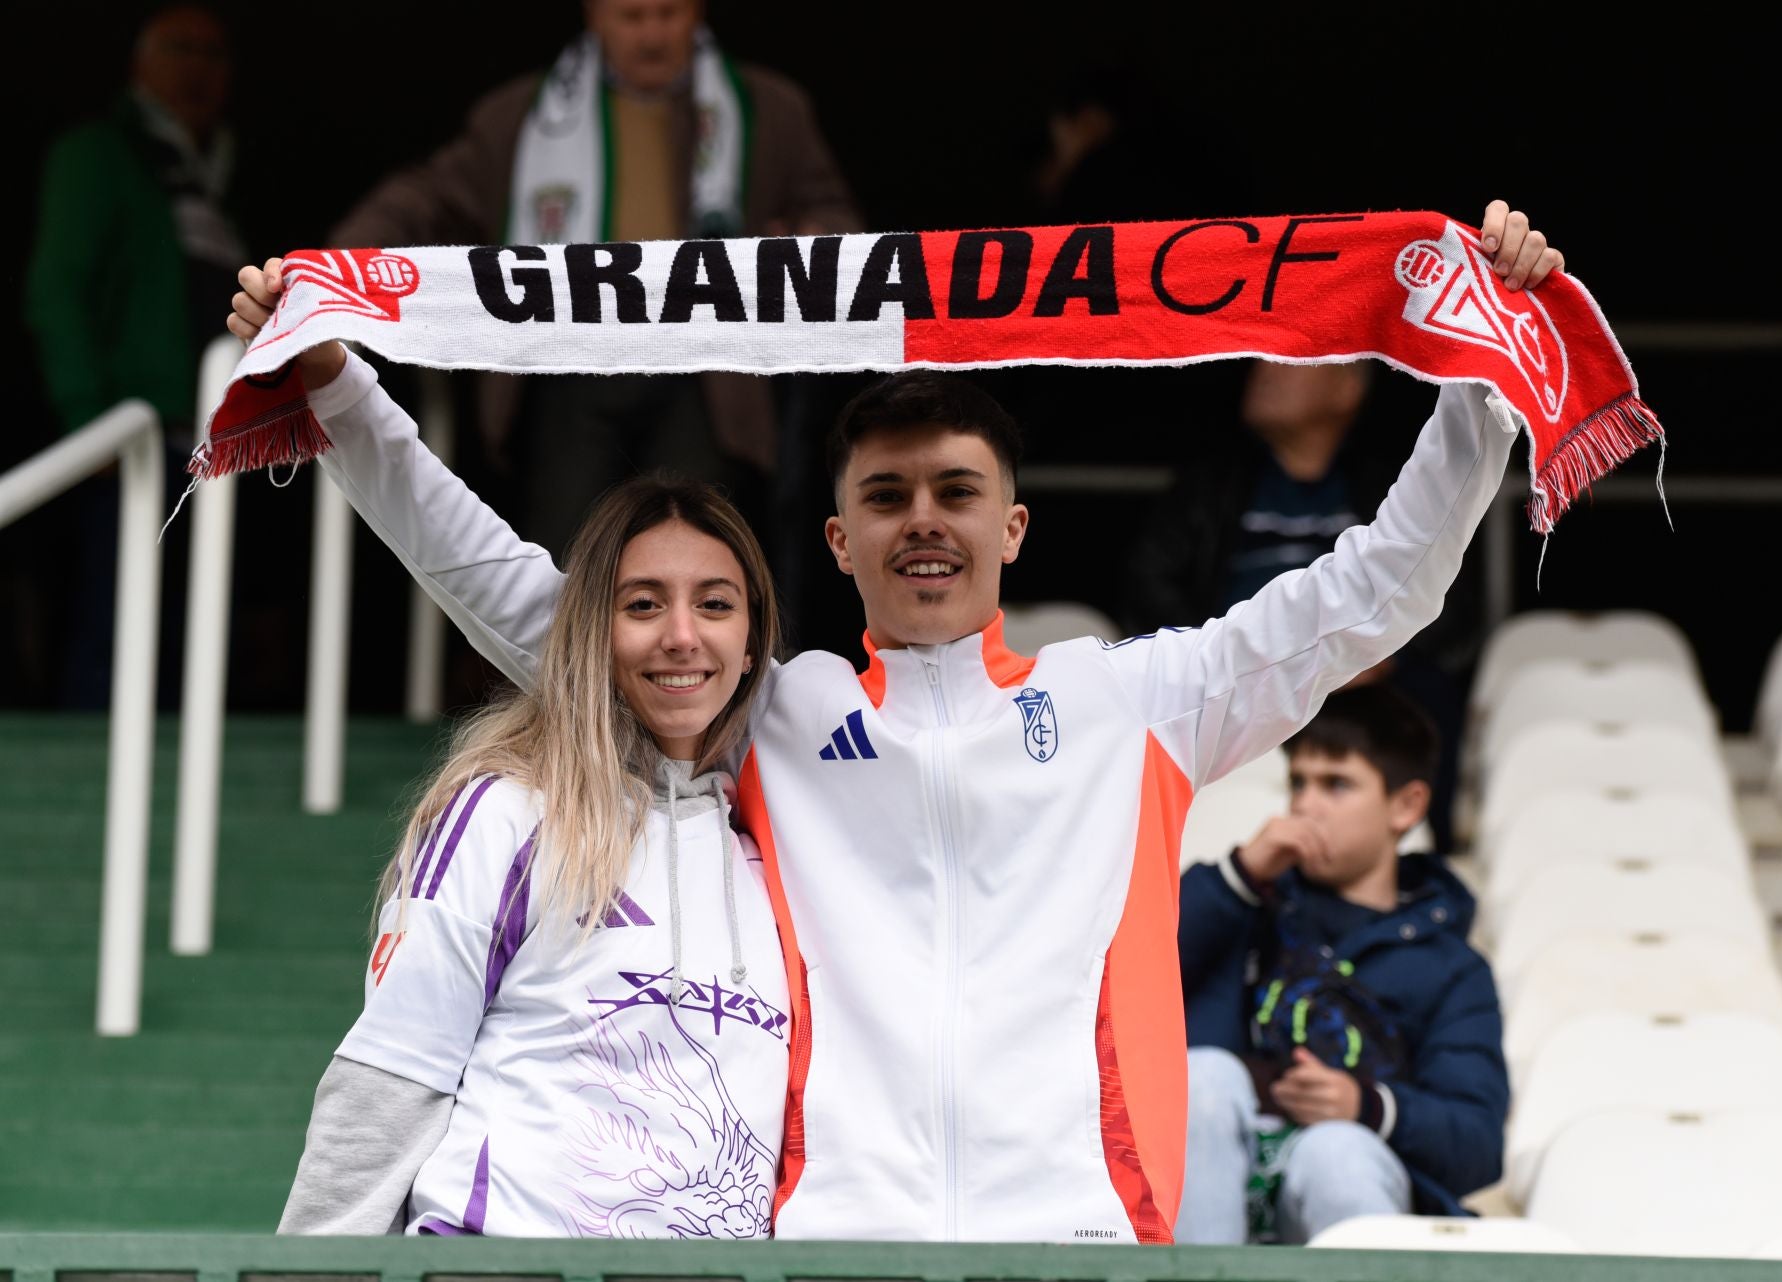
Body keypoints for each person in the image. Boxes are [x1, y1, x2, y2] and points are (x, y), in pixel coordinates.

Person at [230, 200, 1561, 1241]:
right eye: (888, 495)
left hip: (1082, 1229)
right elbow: (535, 606)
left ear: (1012, 526)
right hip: (828, 1237)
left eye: (956, 490)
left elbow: (1382, 586)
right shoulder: (780, 711)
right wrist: (347, 398)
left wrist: (1480, 375)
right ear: (841, 539)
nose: (924, 517)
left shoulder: (1134, 701)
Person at [276, 477, 791, 1237]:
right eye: (643, 604)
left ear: (752, 645)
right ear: (592, 630)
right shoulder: (509, 811)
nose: (682, 635)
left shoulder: (770, 863)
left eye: (714, 604)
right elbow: (393, 1076)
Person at [327, 0, 860, 554]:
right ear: (594, 17)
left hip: (704, 370)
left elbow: (837, 219)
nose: (652, 34)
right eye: (632, 17)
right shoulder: (523, 115)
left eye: (668, 14)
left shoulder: (766, 110)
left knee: (691, 546)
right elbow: (425, 198)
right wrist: (337, 262)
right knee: (568, 554)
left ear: (698, 13)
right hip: (570, 364)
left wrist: (809, 235)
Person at [1176, 685, 1507, 1245]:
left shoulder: (1454, 968)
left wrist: (1366, 1106)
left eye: (1336, 784)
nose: (1306, 804)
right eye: (1298, 782)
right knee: (1203, 1077)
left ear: (1406, 806)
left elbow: (1476, 1143)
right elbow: (1127, 977)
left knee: (1338, 1151)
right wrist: (1239, 878)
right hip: (1210, 1174)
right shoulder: (1241, 905)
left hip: (1344, 1174)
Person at [1125, 359, 1477, 851]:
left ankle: (1422, 856)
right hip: (1231, 678)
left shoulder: (1386, 484)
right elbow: (1149, 582)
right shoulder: (1213, 483)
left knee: (1431, 693)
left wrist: (1379, 658)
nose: (1263, 372)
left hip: (1361, 678)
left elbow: (1452, 600)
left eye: (1288, 361)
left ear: (1346, 390)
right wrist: (1225, 656)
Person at [24, 3, 246, 706]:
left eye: (213, 54)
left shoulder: (215, 171)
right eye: (179, 48)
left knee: (189, 642)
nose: (197, 68)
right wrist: (90, 416)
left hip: (210, 442)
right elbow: (55, 292)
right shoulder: (97, 155)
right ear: (138, 66)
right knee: (110, 638)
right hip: (126, 441)